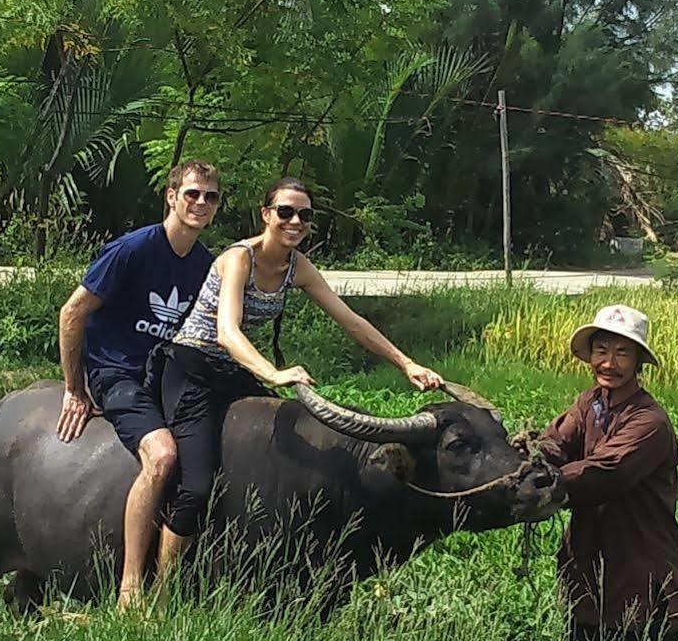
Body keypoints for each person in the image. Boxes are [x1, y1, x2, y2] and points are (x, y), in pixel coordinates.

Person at [155, 178, 445, 583]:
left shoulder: (298, 267)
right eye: (285, 212)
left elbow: (352, 321)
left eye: (304, 215)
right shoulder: (239, 257)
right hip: (191, 370)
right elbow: (227, 332)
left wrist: (406, 364)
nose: (295, 222)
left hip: (232, 373)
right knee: (197, 483)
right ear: (266, 214)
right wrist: (272, 373)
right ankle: (159, 592)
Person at [57, 160, 221, 613]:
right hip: (118, 372)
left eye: (210, 197)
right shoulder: (131, 250)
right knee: (164, 455)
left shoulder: (206, 264)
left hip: (166, 376)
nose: (200, 203)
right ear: (171, 197)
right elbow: (72, 313)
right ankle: (130, 585)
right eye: (192, 193)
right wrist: (76, 387)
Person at [534, 304, 678, 641]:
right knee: (585, 639)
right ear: (590, 355)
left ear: (639, 361)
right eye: (601, 349)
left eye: (622, 352)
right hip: (590, 542)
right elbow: (555, 442)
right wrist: (529, 459)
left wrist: (544, 482)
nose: (609, 362)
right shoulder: (588, 403)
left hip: (639, 546)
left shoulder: (649, 422)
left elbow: (608, 471)